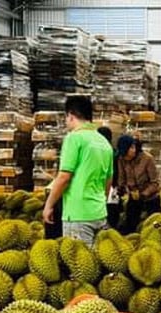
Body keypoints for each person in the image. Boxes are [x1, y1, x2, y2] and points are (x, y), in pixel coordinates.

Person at [42, 95, 113, 246]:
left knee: (78, 265)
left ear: (71, 116)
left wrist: (49, 206)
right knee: (95, 263)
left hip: (78, 215)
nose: (66, 122)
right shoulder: (104, 142)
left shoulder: (74, 138)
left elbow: (64, 177)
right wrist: (100, 203)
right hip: (99, 213)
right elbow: (108, 180)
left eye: (66, 118)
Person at [115, 134, 160, 235]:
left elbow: (155, 183)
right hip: (133, 197)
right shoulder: (122, 159)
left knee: (154, 229)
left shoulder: (147, 159)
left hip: (150, 198)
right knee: (130, 227)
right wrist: (121, 189)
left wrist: (144, 193)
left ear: (133, 148)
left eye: (126, 154)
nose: (125, 157)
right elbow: (121, 178)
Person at [96, 125, 122, 230]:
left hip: (104, 187)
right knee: (112, 212)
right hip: (113, 187)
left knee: (107, 212)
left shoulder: (100, 152)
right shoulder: (114, 151)